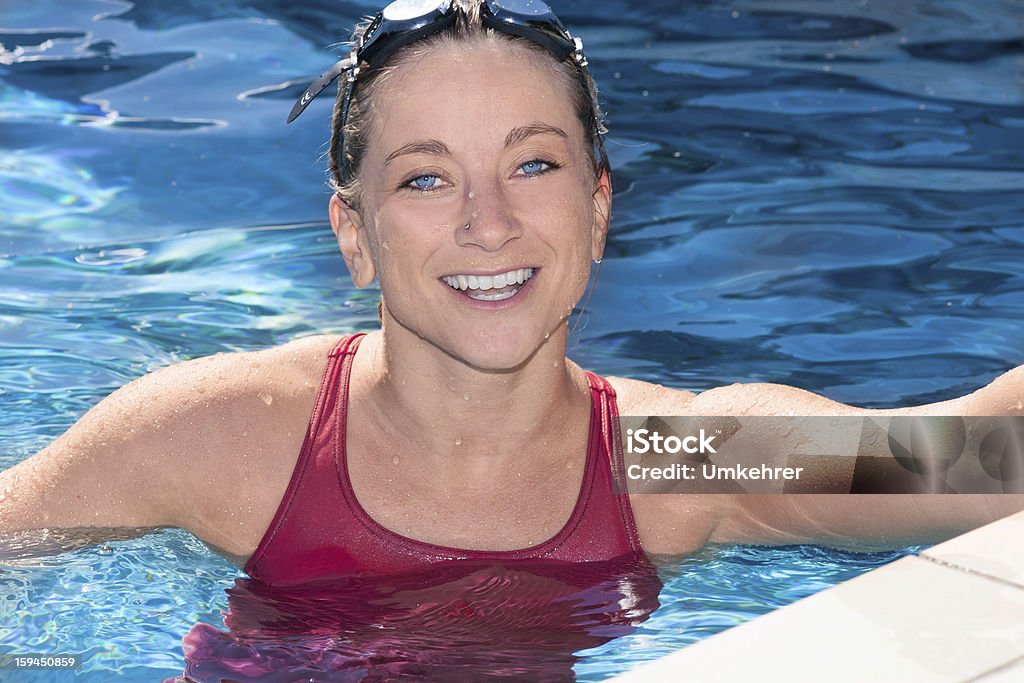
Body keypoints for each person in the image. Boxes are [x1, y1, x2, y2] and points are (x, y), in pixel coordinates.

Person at [1, 0, 1022, 584]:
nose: (488, 223)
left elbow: (985, 463)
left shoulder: (672, 458)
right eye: (424, 177)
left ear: (598, 208)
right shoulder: (230, 433)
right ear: (352, 233)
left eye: (533, 166)